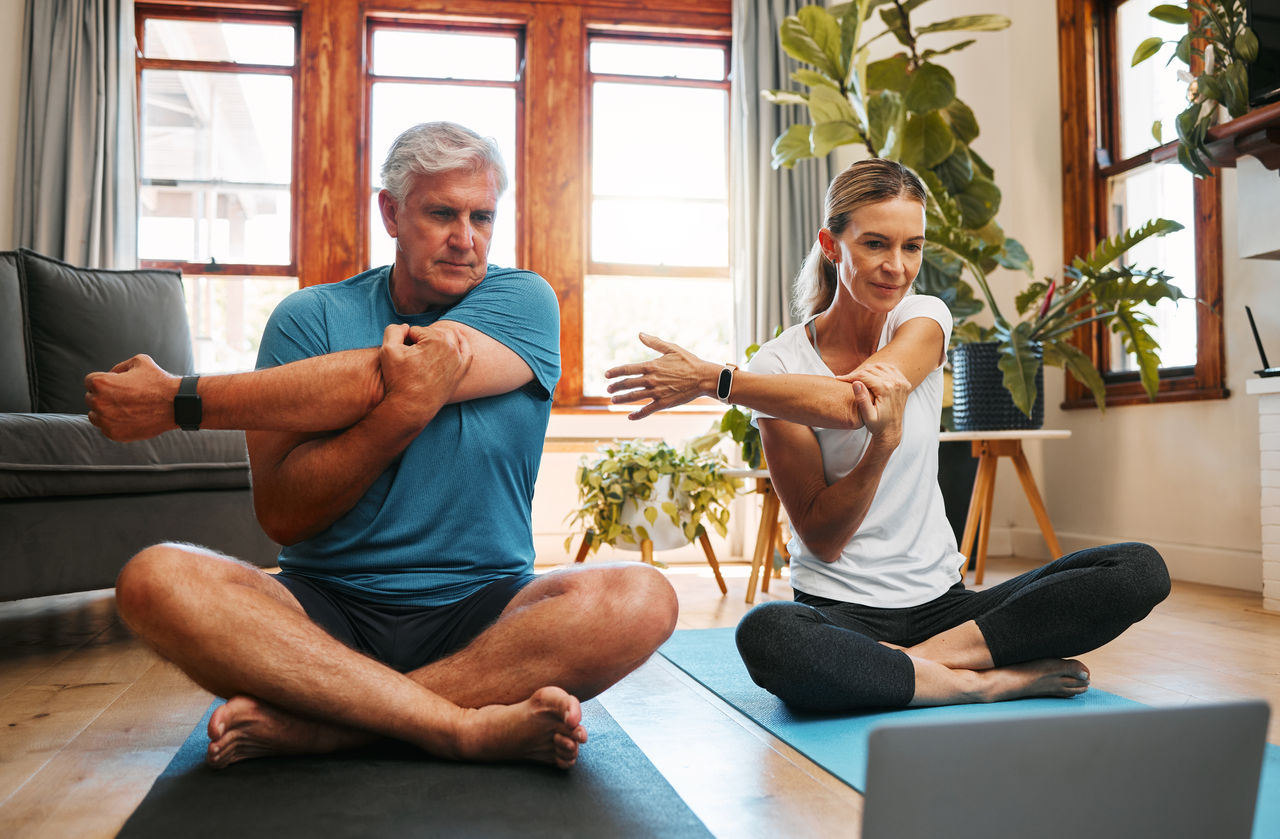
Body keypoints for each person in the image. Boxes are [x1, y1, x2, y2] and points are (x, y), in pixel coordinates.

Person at [84, 122, 677, 768]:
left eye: (482, 216)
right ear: (390, 212)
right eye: (441, 213)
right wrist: (398, 414)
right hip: (321, 614)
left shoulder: (523, 301)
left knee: (645, 597)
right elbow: (285, 516)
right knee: (153, 579)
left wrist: (178, 400)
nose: (466, 237)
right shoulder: (308, 319)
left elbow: (394, 372)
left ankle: (328, 727)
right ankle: (459, 725)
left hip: (486, 612)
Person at [605, 158, 1170, 713]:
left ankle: (905, 668)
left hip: (945, 608)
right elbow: (824, 538)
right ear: (832, 245)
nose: (896, 266)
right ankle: (978, 683)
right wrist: (880, 448)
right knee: (769, 634)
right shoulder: (777, 367)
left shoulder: (921, 318)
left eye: (912, 246)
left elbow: (858, 403)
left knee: (1137, 570)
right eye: (875, 244)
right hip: (839, 611)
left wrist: (715, 379)